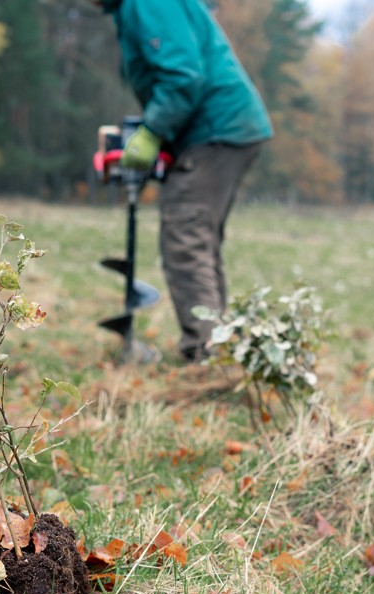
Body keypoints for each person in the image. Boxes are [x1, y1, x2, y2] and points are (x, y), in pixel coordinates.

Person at [92, 0, 273, 362]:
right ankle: (218, 348)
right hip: (217, 130)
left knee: (186, 240)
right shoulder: (129, 9)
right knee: (198, 242)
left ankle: (206, 355)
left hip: (217, 129)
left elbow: (183, 75)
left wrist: (153, 131)